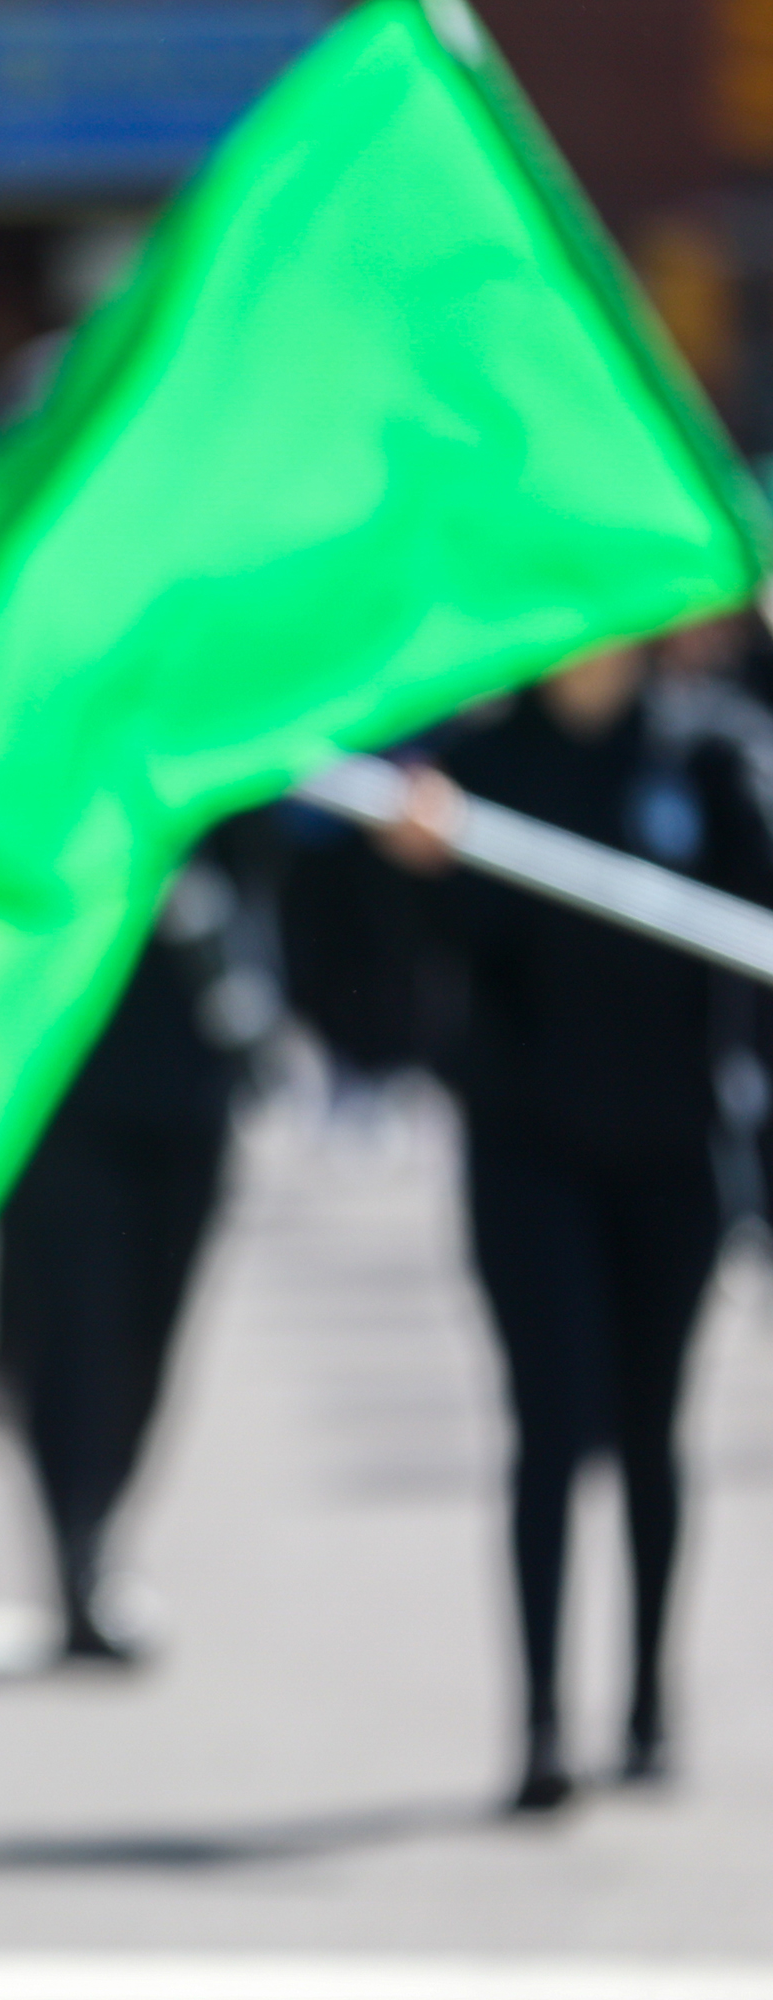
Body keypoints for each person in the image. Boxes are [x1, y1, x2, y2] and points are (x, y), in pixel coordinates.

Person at [386, 639, 773, 1813]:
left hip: (673, 1154)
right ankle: (543, 1721)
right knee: (551, 1427)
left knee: (653, 1430)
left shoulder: (708, 758)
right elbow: (433, 953)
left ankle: (648, 1696)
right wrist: (423, 861)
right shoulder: (483, 767)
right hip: (530, 1155)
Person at [0, 827, 281, 1662]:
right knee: (70, 1330)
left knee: (152, 1334)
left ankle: (102, 1521)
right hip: (60, 1080)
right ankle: (76, 1546)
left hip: (192, 1074)